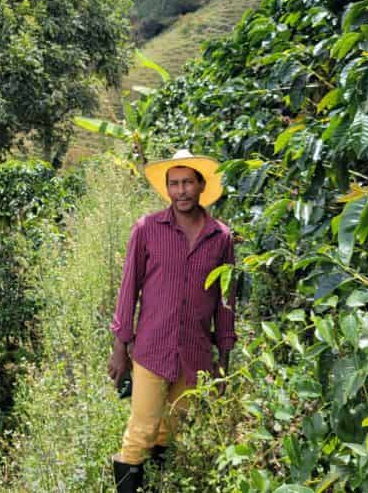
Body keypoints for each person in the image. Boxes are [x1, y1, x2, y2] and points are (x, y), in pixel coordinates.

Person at [108, 149, 237, 492]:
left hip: (194, 352)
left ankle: (158, 484)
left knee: (173, 426)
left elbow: (225, 303)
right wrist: (120, 347)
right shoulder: (148, 229)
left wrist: (223, 361)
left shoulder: (221, 237)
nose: (181, 191)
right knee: (142, 429)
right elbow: (129, 288)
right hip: (152, 347)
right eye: (174, 184)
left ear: (201, 186)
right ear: (167, 189)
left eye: (188, 183)